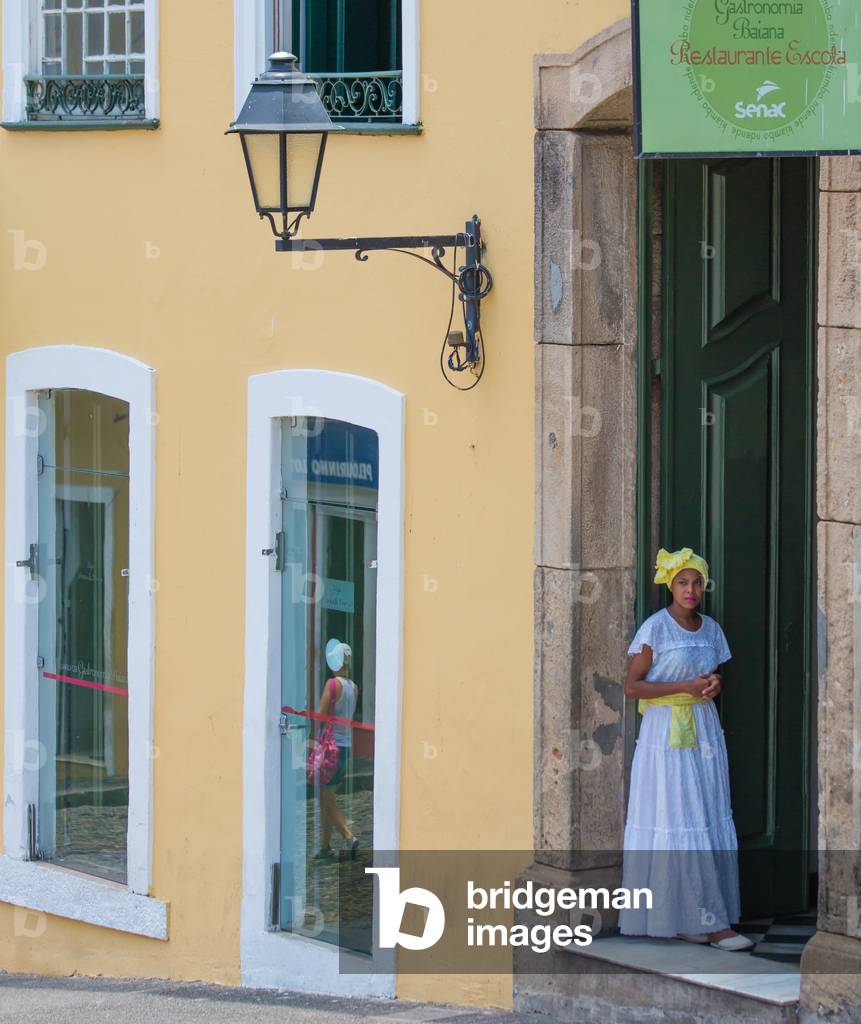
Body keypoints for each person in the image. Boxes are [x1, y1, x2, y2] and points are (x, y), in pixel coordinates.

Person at [618, 547, 754, 951]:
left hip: (704, 731)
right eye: (683, 582)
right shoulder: (655, 629)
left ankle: (697, 917)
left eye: (696, 582)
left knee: (706, 813)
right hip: (665, 736)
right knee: (678, 817)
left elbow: (712, 677)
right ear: (670, 586)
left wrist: (714, 685)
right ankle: (709, 925)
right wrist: (685, 687)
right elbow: (632, 687)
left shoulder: (711, 629)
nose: (690, 590)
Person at [314, 639, 360, 862]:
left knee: (326, 800)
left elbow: (321, 716)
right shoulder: (354, 688)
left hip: (330, 749)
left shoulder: (333, 685)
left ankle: (349, 836)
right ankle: (324, 846)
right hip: (346, 747)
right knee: (327, 798)